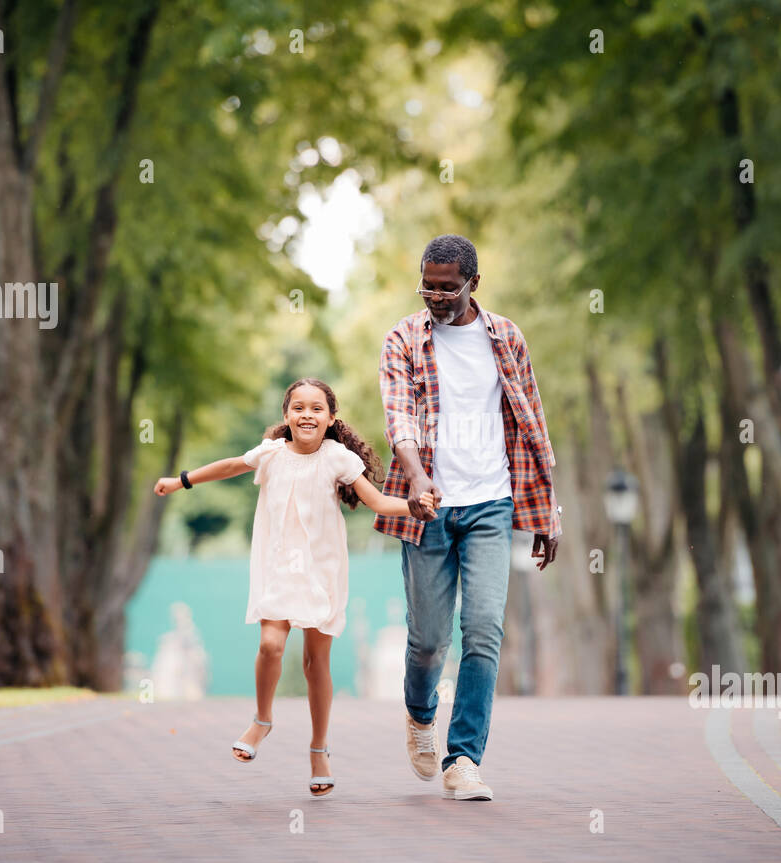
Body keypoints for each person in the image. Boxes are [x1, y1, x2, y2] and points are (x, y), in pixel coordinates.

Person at [155, 377, 436, 797]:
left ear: (331, 418)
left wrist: (416, 506)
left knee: (314, 663)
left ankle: (319, 749)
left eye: (317, 408)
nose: (307, 414)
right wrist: (182, 480)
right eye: (299, 407)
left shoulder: (337, 457)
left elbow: (377, 502)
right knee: (270, 644)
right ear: (286, 415)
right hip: (277, 565)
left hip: (322, 569)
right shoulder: (271, 454)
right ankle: (262, 720)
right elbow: (231, 465)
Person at [375, 234, 561, 801]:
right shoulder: (403, 337)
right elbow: (398, 415)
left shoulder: (505, 336)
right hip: (427, 505)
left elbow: (533, 420)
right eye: (427, 285)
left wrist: (548, 512)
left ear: (472, 284)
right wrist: (415, 474)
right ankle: (419, 713)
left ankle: (464, 759)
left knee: (483, 631)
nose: (434, 295)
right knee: (429, 640)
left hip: (491, 501)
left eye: (446, 287)